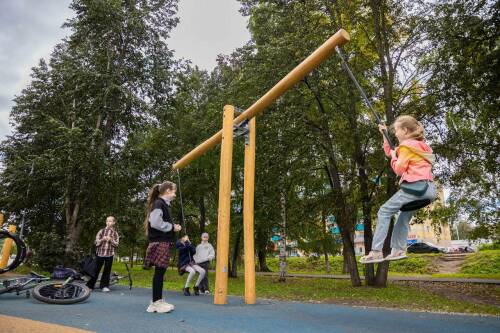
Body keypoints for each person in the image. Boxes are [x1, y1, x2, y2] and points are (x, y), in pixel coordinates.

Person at [360, 115, 437, 264]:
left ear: (406, 130)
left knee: (384, 211)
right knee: (403, 216)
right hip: (428, 190)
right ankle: (398, 250)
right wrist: (385, 136)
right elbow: (391, 152)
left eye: (396, 130)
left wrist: (395, 158)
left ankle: (376, 251)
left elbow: (399, 169)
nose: (395, 133)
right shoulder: (420, 146)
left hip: (414, 187)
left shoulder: (406, 145)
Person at [144, 181, 182, 313]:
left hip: (162, 242)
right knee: (159, 272)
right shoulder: (159, 203)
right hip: (160, 242)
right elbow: (155, 222)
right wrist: (172, 227)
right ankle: (155, 303)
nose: (175, 194)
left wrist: (172, 227)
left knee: (160, 272)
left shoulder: (162, 204)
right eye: (174, 191)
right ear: (168, 191)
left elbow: (158, 222)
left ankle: (157, 301)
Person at [87, 216, 119, 292]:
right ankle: (90, 285)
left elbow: (117, 244)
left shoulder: (115, 233)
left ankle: (104, 286)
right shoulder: (101, 231)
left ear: (114, 223)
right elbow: (96, 242)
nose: (108, 223)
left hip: (110, 254)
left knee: (107, 271)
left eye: (110, 221)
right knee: (96, 270)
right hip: (100, 254)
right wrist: (102, 239)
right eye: (107, 221)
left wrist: (111, 240)